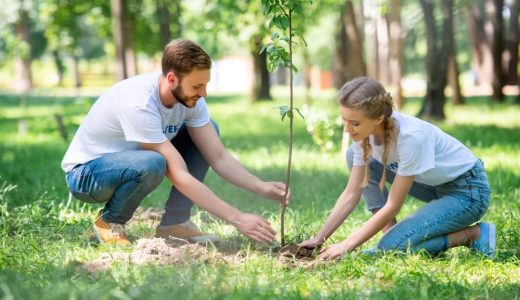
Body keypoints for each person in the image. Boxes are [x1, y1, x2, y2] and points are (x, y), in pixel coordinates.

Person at [61, 39, 289, 245]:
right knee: (153, 163)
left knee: (209, 130)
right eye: (197, 86)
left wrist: (260, 186)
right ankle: (109, 222)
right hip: (87, 175)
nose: (204, 94)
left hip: (130, 163)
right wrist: (237, 218)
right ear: (172, 79)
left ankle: (174, 224)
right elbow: (179, 174)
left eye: (205, 84)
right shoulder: (139, 102)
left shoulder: (191, 100)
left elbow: (218, 157)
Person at [299, 77, 495, 259]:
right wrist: (319, 238)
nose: (347, 129)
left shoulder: (411, 138)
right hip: (434, 186)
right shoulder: (363, 136)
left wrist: (346, 245)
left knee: (392, 248)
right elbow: (352, 193)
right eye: (344, 120)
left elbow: (393, 204)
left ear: (378, 118)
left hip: (467, 193)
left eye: (355, 123)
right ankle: (391, 233)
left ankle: (473, 234)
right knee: (352, 154)